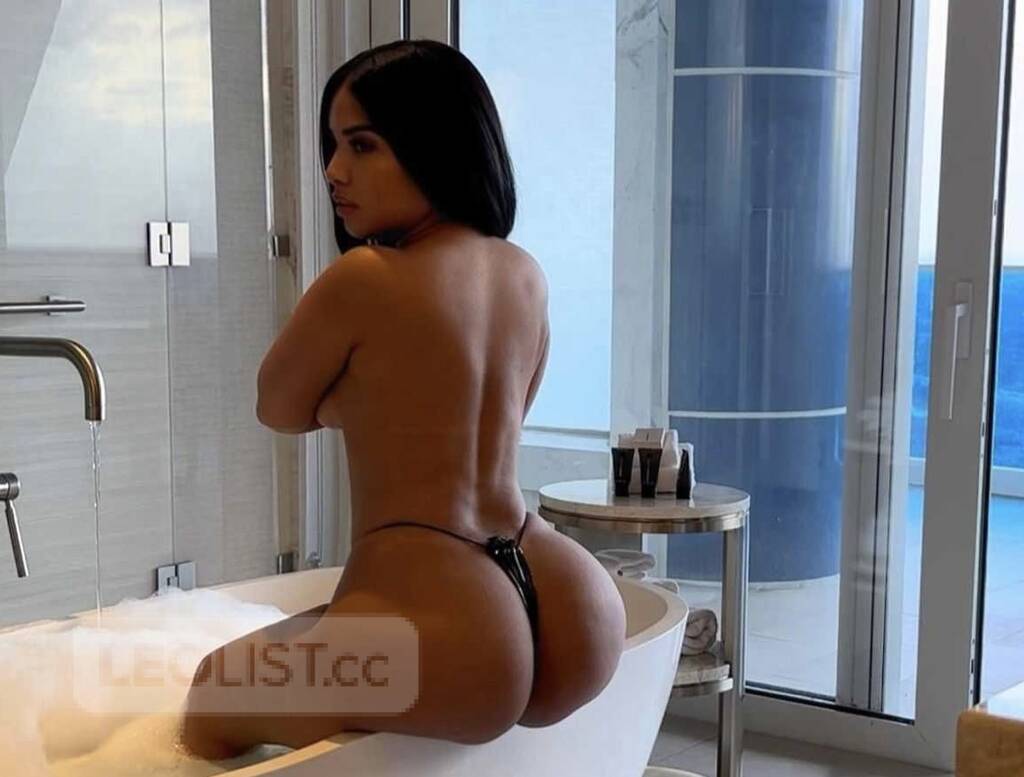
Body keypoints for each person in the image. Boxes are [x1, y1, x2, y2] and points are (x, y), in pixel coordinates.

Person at [179, 39, 625, 759]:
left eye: (362, 145)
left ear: (435, 145)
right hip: (562, 594)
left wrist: (345, 402)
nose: (333, 170)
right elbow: (508, 409)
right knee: (309, 643)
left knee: (211, 695)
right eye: (333, 145)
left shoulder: (366, 278)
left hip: (451, 626)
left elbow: (278, 407)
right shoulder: (524, 274)